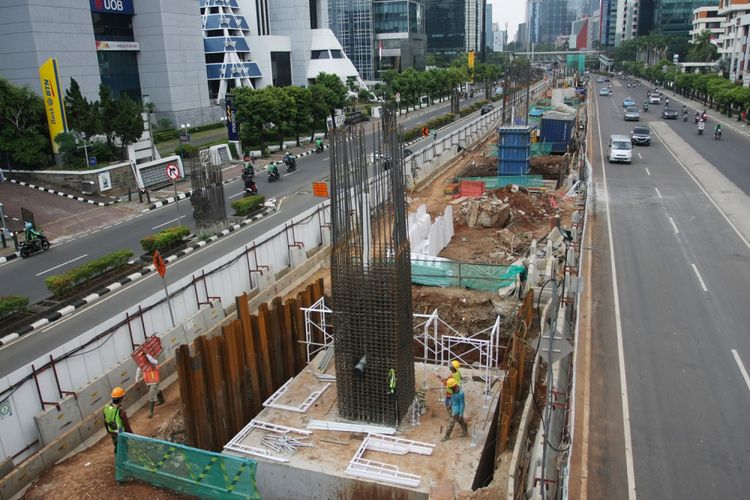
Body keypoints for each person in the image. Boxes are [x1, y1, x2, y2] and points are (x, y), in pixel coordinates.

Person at [103, 386, 132, 452]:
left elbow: (105, 422)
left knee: (117, 446)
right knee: (124, 449)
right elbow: (127, 425)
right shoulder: (121, 411)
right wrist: (131, 435)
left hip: (112, 431)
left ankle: (118, 455)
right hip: (120, 432)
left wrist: (108, 431)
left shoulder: (106, 408)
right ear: (121, 399)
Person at [135, 353, 163, 418]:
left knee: (151, 395)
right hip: (148, 382)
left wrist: (147, 355)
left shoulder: (152, 362)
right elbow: (138, 372)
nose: (142, 359)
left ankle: (151, 412)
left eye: (143, 358)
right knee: (155, 391)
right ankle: (162, 400)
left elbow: (155, 361)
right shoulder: (141, 365)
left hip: (155, 380)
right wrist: (137, 381)